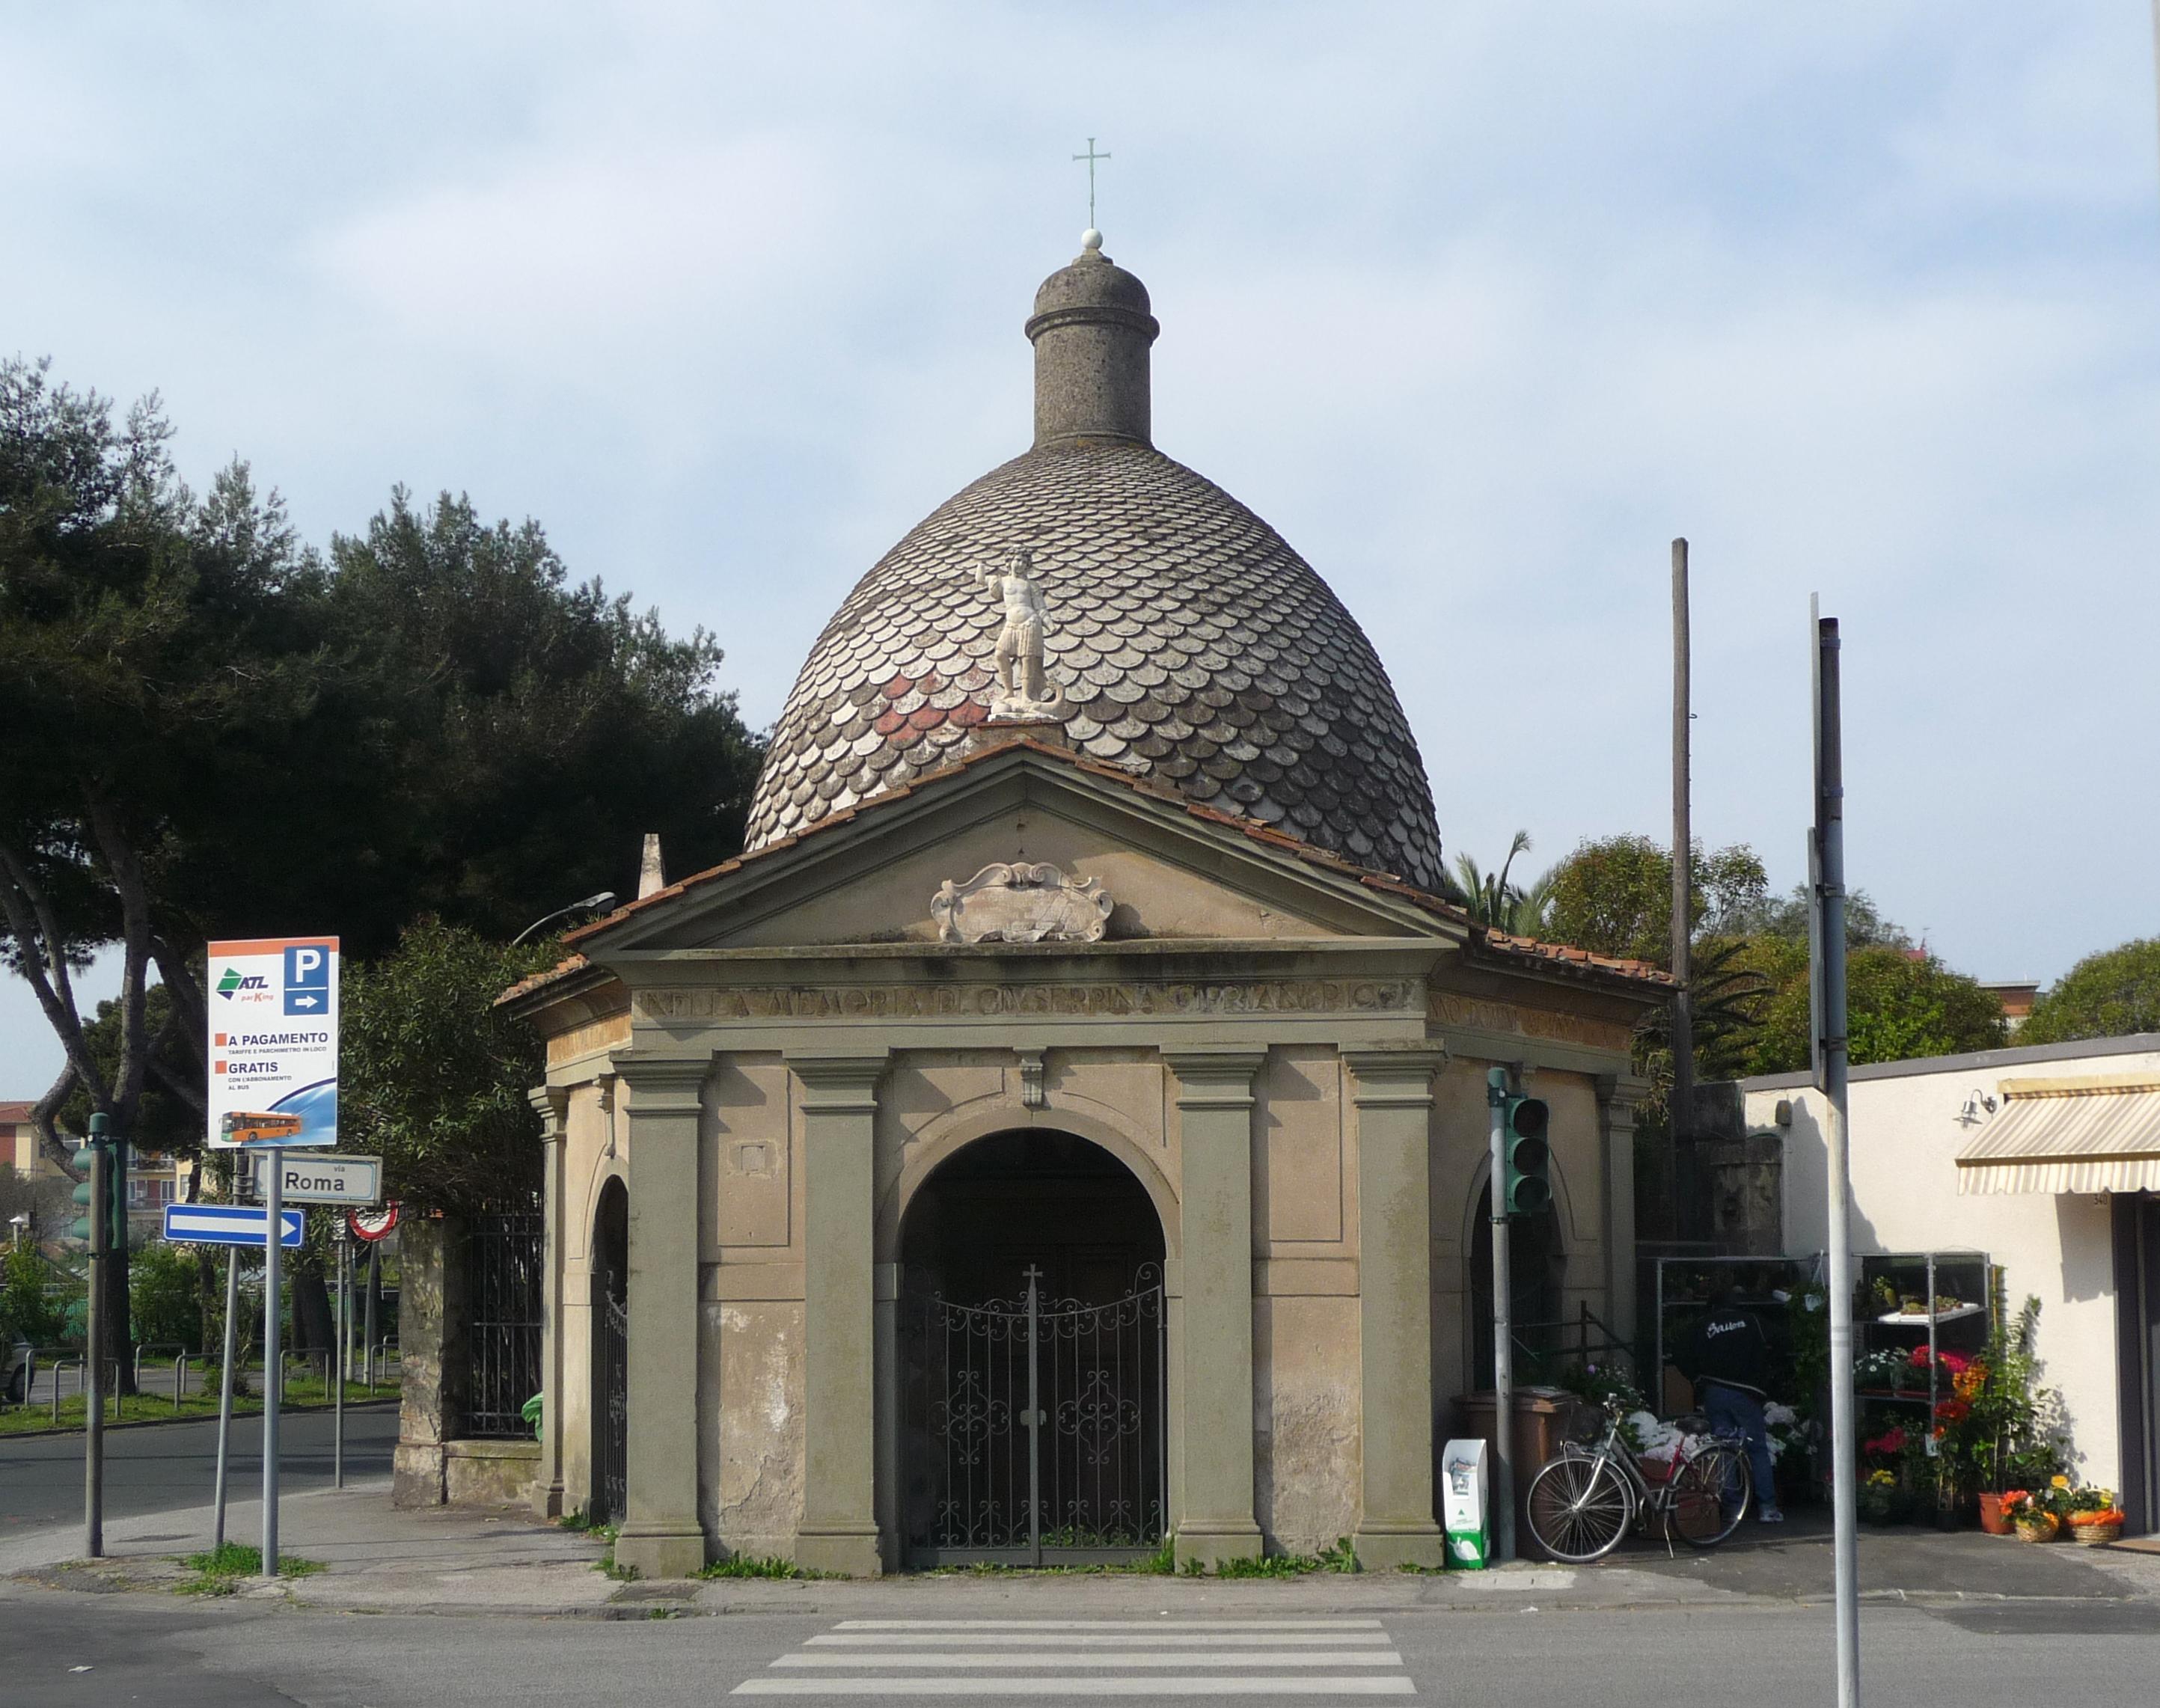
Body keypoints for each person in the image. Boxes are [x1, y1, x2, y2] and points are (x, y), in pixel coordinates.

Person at [1685, 1274, 1784, 1523]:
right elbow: (1782, 1340)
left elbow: (1680, 1352)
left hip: (1715, 1393)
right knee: (1757, 1449)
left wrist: (1696, 1378)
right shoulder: (1752, 1321)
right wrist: (1767, 1370)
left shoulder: (1703, 1324)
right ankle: (1767, 1508)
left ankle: (1732, 1509)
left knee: (1723, 1448)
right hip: (1747, 1393)